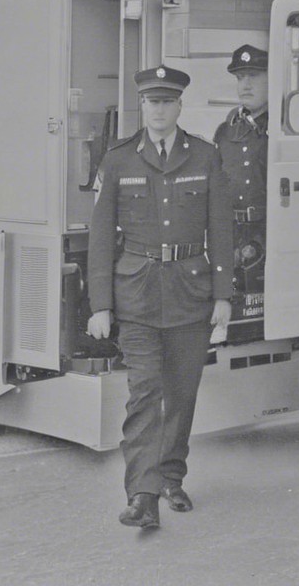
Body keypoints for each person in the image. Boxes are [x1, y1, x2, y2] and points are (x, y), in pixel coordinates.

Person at [86, 64, 233, 529]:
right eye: (152, 102)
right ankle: (143, 495)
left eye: (167, 102)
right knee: (145, 393)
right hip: (138, 296)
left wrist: (224, 296)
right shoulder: (118, 160)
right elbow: (99, 238)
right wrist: (101, 306)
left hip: (192, 293)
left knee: (182, 394)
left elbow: (222, 231)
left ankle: (171, 478)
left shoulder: (205, 157)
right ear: (142, 105)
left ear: (179, 106)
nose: (159, 110)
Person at [213, 45, 269, 338]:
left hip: (268, 236)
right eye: (240, 78)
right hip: (233, 237)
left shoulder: (285, 128)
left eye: (254, 76)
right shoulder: (227, 131)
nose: (245, 85)